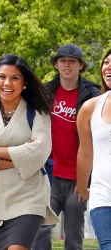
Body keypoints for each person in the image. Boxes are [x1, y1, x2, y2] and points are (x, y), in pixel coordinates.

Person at [0, 54, 59, 250]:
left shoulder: (38, 114)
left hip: (29, 198)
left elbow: (38, 153)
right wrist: (19, 158)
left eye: (15, 78)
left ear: (24, 84)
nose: (7, 83)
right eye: (2, 77)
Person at [32, 44, 100, 250]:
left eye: (72, 61)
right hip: (49, 174)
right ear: (56, 64)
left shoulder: (92, 95)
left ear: (81, 65)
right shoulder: (45, 92)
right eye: (63, 60)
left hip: (78, 177)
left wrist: (87, 180)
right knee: (40, 231)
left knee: (73, 235)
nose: (67, 65)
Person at [77, 49, 111, 250]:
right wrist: (82, 186)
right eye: (106, 62)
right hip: (102, 194)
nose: (108, 67)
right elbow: (85, 151)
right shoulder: (90, 108)